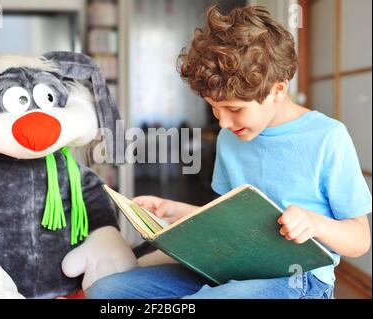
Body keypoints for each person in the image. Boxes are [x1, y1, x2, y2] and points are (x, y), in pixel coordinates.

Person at [86, 4, 372, 299]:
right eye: (214, 107)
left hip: (300, 280)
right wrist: (174, 213)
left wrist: (315, 224)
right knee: (107, 290)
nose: (223, 121)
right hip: (232, 269)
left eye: (234, 108)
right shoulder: (229, 137)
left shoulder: (327, 137)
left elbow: (360, 240)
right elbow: (233, 225)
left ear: (278, 89)